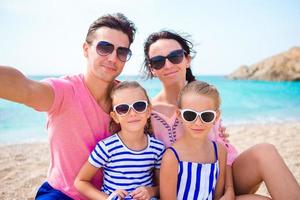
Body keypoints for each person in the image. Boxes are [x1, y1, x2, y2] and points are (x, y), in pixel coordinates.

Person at [142, 30, 300, 199]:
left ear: (187, 60)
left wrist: (229, 190)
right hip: (175, 190)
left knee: (265, 151)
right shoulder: (144, 112)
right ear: (152, 69)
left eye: (175, 56)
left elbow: (224, 152)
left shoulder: (205, 101)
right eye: (158, 61)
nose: (168, 65)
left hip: (216, 182)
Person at [0, 13, 136, 199]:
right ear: (86, 49)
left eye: (122, 52)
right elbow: (25, 88)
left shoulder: (127, 98)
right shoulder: (63, 91)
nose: (113, 58)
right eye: (105, 47)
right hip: (62, 193)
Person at [74, 81, 164, 200]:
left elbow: (162, 186)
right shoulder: (106, 147)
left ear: (148, 111)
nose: (132, 113)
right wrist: (107, 198)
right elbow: (80, 181)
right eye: (122, 108)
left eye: (139, 106)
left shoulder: (157, 148)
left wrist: (150, 191)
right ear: (115, 117)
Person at [160, 80, 227, 200]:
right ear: (179, 115)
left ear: (216, 117)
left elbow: (217, 196)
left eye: (206, 115)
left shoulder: (220, 152)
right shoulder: (172, 157)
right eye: (190, 115)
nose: (198, 122)